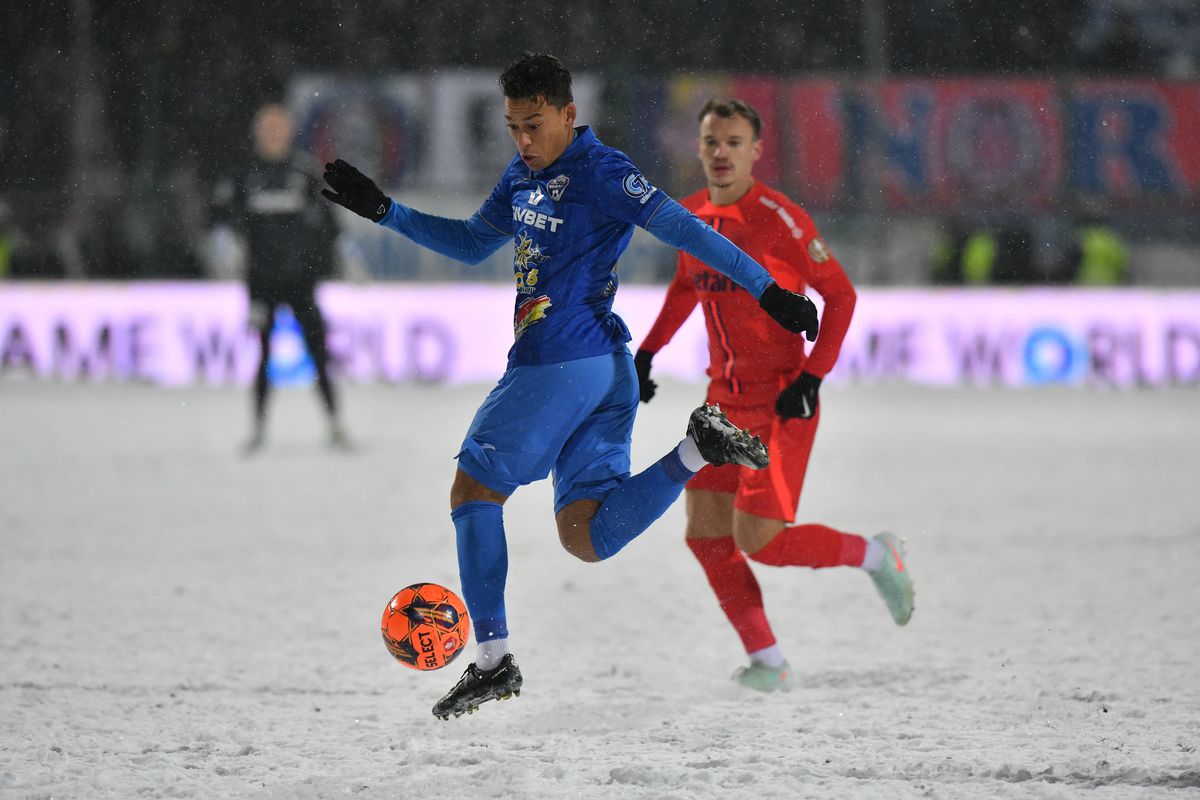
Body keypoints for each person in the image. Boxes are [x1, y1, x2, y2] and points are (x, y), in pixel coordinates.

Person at [321, 53, 821, 719]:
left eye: (535, 125)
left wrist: (768, 290)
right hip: (603, 371)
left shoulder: (603, 170)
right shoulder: (523, 175)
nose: (524, 141)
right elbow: (473, 243)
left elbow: (684, 228)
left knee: (474, 488)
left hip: (560, 358)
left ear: (568, 114)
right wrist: (386, 211)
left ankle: (494, 662)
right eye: (513, 128)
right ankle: (696, 453)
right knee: (586, 536)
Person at [634, 98, 915, 693]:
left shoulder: (781, 220)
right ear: (698, 146)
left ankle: (875, 555)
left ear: (756, 152)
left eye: (733, 142)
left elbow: (840, 298)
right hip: (721, 405)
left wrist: (813, 377)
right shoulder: (689, 218)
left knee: (758, 541)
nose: (720, 153)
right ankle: (769, 662)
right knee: (707, 537)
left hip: (781, 402)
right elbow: (688, 286)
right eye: (711, 141)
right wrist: (648, 352)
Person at [211, 103, 348, 453]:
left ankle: (335, 424)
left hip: (301, 280)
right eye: (267, 127)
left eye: (279, 127)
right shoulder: (243, 174)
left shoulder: (304, 172)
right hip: (261, 281)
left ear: (289, 131)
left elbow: (329, 221)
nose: (274, 134)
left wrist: (343, 255)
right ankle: (257, 428)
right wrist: (226, 243)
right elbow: (223, 216)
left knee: (318, 352)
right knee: (262, 353)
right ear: (257, 131)